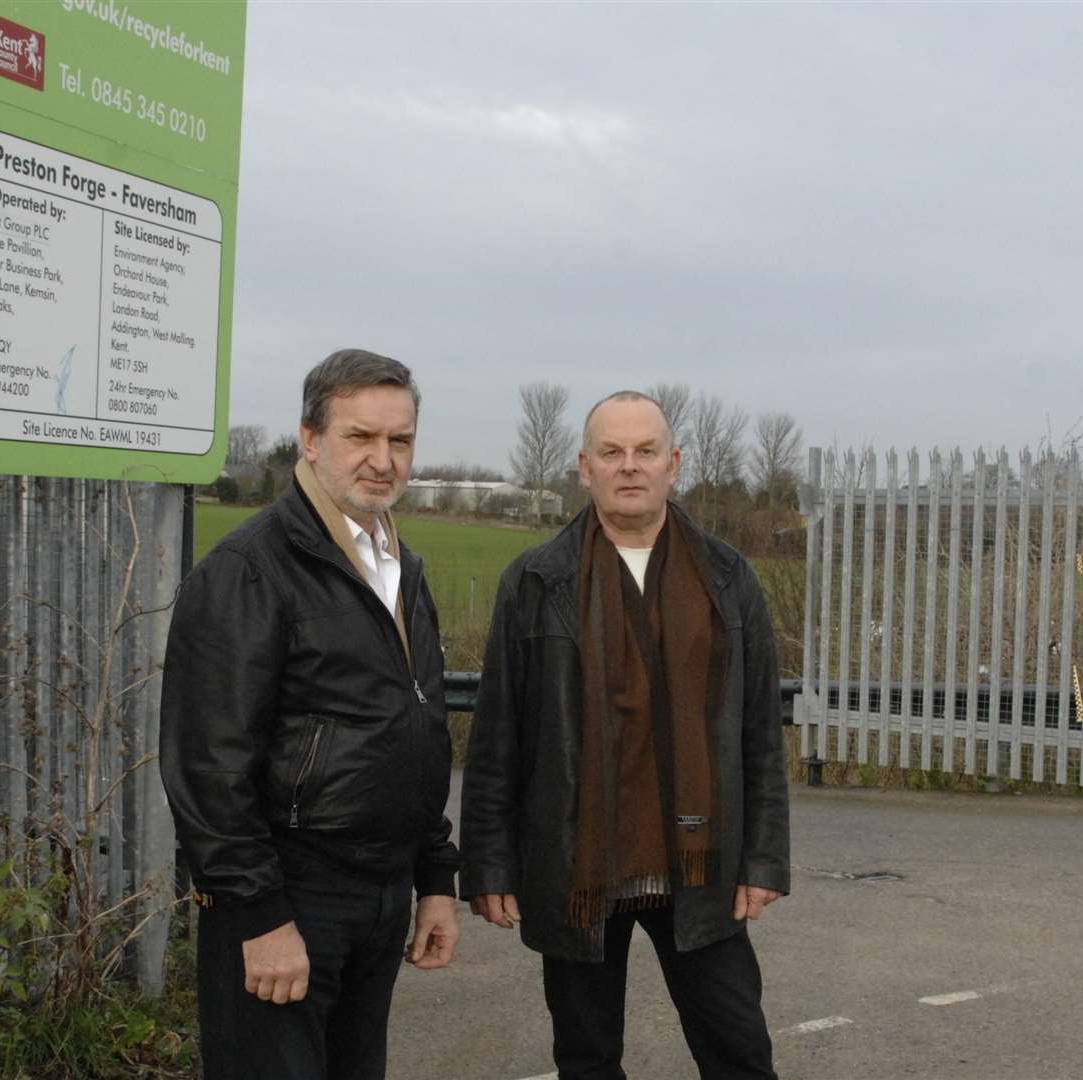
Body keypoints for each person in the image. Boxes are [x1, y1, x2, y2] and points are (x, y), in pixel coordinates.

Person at [460, 390, 791, 1080]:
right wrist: (488, 862)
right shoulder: (535, 580)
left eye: (646, 452)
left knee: (740, 1052)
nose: (629, 466)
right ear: (584, 466)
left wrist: (764, 858)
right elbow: (499, 736)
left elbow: (759, 731)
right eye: (612, 452)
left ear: (675, 464)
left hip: (699, 864)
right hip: (577, 858)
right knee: (585, 1058)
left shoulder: (729, 579)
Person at [160, 349, 460, 1080]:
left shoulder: (399, 567)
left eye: (400, 440)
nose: (383, 460)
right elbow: (209, 766)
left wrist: (434, 879)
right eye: (361, 437)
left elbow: (414, 726)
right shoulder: (251, 570)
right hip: (289, 897)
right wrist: (259, 917)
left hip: (380, 893)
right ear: (311, 437)